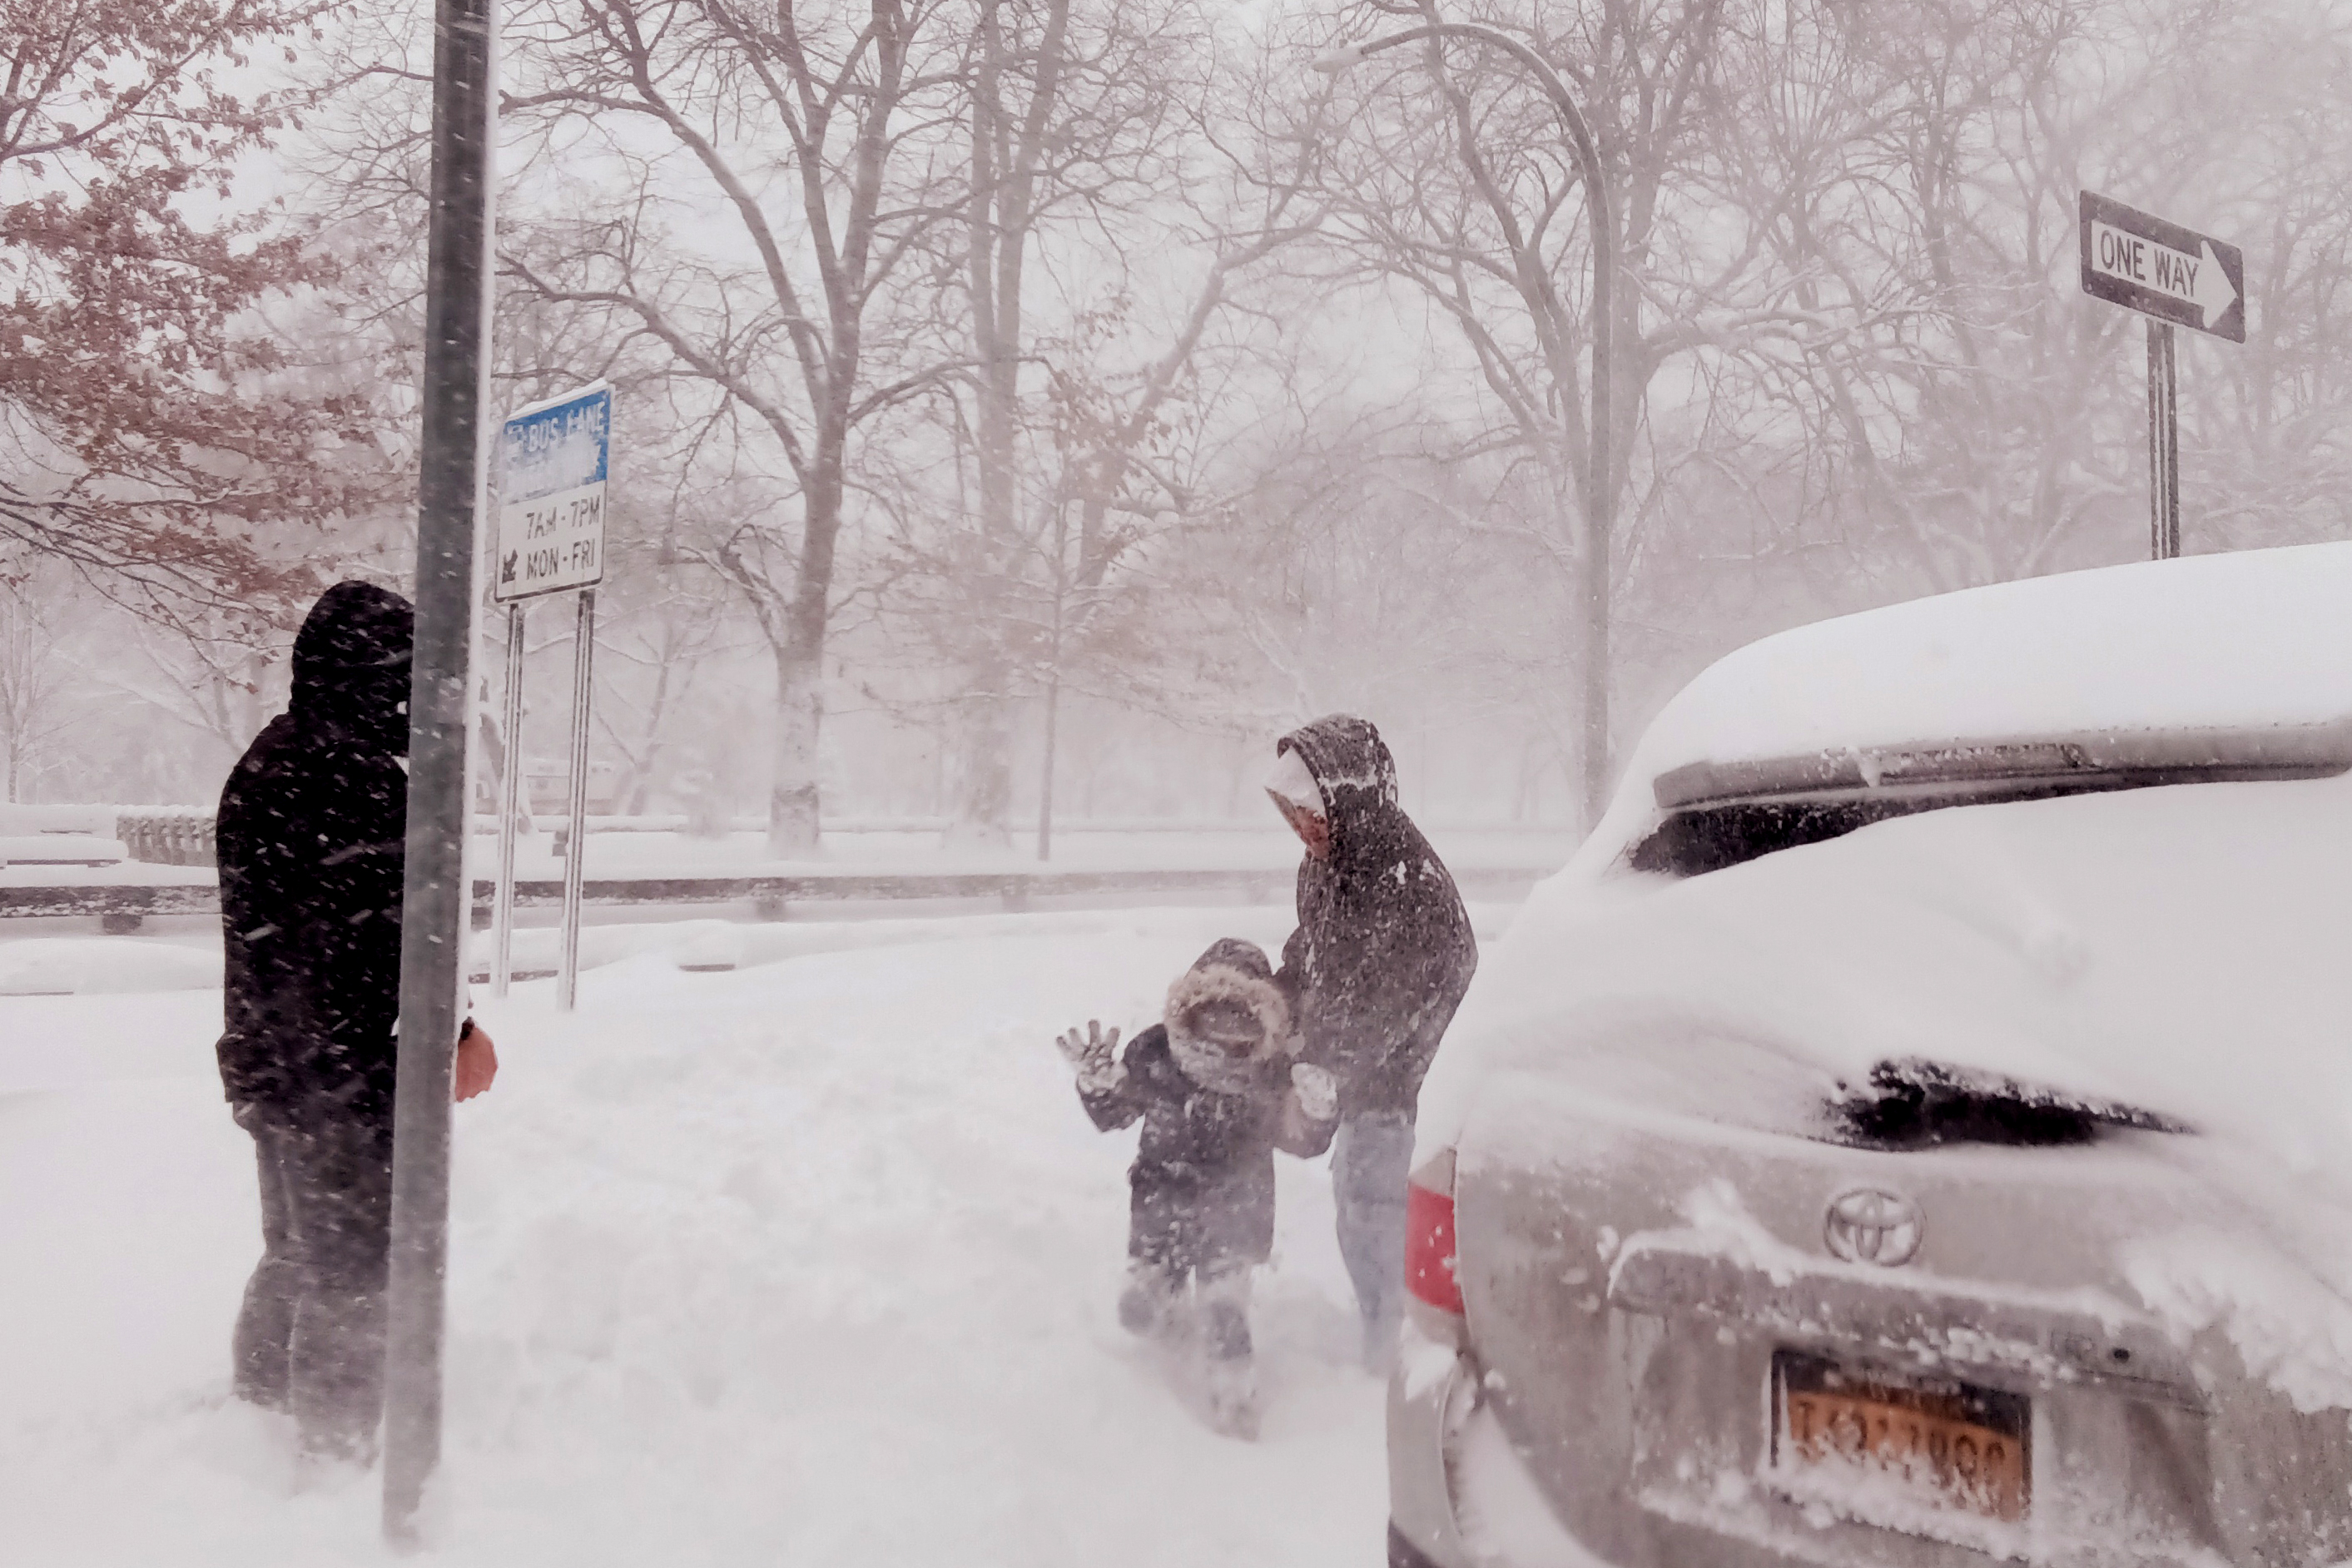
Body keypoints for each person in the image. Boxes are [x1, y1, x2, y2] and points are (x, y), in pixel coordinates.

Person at [214, 579, 499, 1463]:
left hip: (273, 1057)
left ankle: (260, 1410)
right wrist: (452, 1031)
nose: (414, 698)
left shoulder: (274, 755)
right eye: (406, 676)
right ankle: (339, 1456)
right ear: (375, 676)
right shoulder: (348, 774)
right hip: (337, 1066)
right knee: (354, 1264)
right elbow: (389, 936)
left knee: (300, 1248)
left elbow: (315, 928)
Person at [1058, 939, 1340, 1439]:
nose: (1223, 1035)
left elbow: (1297, 1137)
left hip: (1225, 1204)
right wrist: (1099, 1084)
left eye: (1237, 1020)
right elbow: (1115, 1112)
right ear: (1190, 1010)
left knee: (1220, 1287)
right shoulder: (1156, 1052)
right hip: (1166, 1197)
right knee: (1159, 1270)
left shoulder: (1269, 1070)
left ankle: (1229, 1364)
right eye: (1214, 1017)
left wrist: (1317, 1113)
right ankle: (1159, 1297)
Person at [1263, 715, 1476, 1371]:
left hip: (1413, 1091)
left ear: (1348, 797)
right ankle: (1385, 1335)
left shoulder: (1403, 884)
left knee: (1387, 1218)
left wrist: (1319, 1069)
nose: (1304, 829)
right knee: (1363, 1214)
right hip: (1364, 1084)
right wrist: (1275, 1000)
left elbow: (1388, 1004)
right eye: (1291, 815)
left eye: (1312, 813)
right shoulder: (1329, 865)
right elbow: (1314, 949)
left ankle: (1401, 1356)